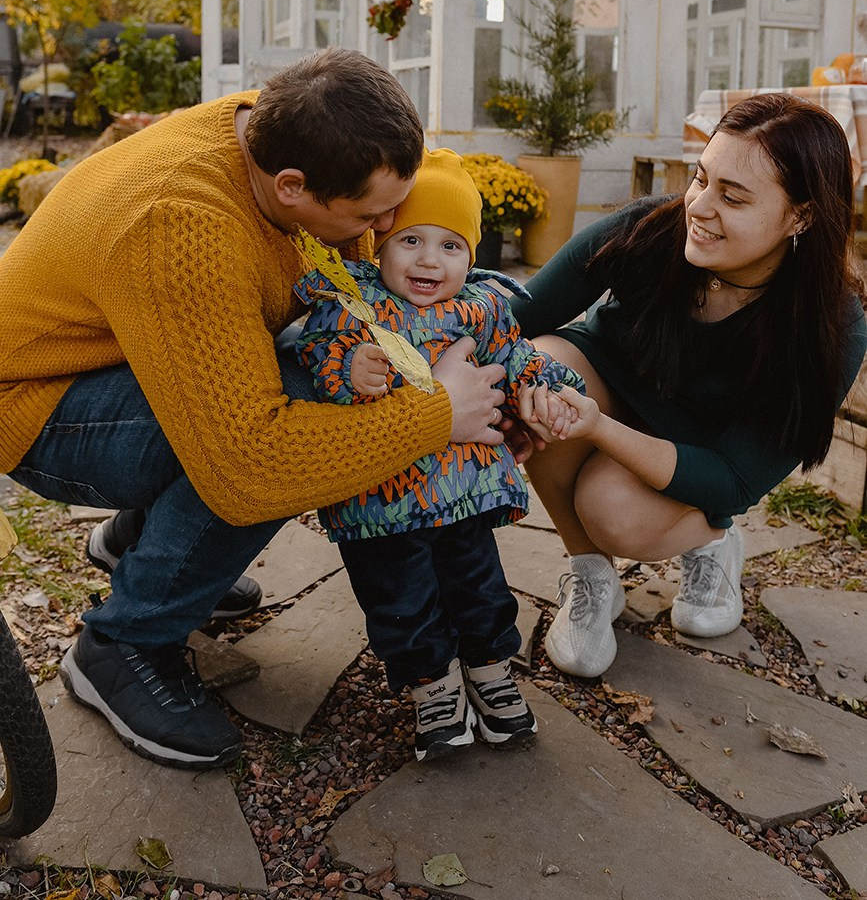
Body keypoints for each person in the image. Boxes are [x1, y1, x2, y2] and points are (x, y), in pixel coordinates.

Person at [0, 49, 510, 768]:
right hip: (33, 403)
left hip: (120, 364)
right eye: (370, 213)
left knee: (302, 369)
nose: (389, 224)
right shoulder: (182, 222)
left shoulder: (283, 130)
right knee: (296, 402)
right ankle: (124, 644)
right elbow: (251, 461)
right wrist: (436, 415)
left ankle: (140, 542)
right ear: (293, 187)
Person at [510, 93, 867, 678]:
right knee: (544, 369)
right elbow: (518, 316)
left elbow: (733, 479)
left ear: (800, 216)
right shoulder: (648, 230)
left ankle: (713, 544)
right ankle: (591, 576)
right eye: (701, 180)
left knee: (613, 510)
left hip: (703, 458)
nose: (699, 207)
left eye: (733, 197)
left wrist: (598, 428)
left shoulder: (830, 326)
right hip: (610, 389)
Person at [294, 149, 584, 760]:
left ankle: (488, 671)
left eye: (451, 245)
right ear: (380, 243)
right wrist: (351, 366)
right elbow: (317, 356)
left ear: (472, 256)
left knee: (478, 584)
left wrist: (555, 389)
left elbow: (521, 359)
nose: (430, 259)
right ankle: (433, 686)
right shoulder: (355, 304)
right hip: (381, 496)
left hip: (463, 493)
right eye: (412, 240)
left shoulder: (483, 309)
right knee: (400, 599)